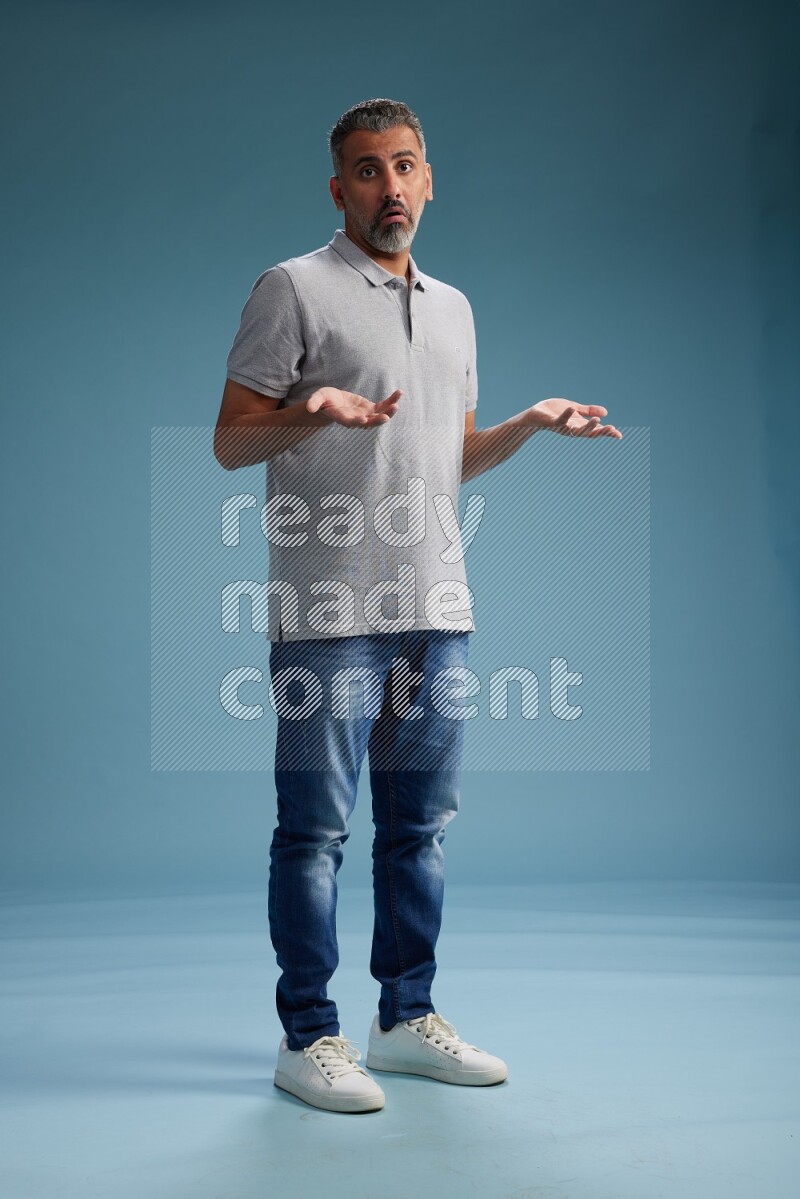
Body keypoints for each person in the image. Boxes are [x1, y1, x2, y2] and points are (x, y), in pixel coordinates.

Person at [214, 98, 622, 1114]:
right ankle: (308, 1034)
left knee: (420, 827)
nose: (388, 188)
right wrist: (303, 410)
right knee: (313, 833)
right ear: (337, 187)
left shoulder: (453, 306)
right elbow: (229, 439)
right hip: (327, 612)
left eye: (403, 167)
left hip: (436, 604)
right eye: (365, 170)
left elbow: (446, 454)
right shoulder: (292, 288)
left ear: (428, 179)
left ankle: (403, 1018)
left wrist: (524, 424)